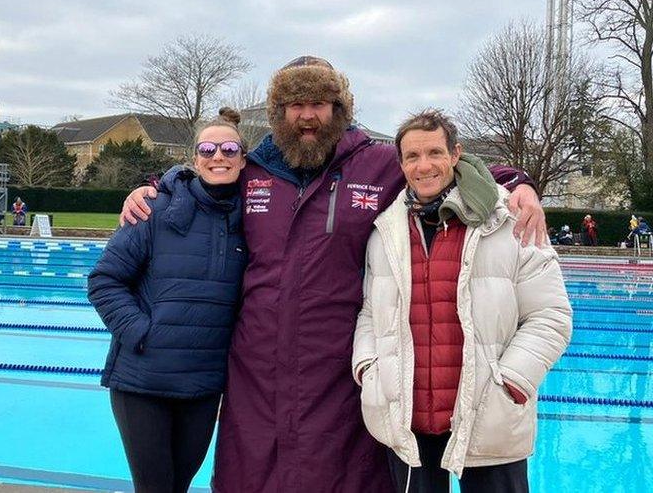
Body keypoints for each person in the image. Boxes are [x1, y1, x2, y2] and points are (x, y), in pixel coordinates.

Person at [120, 56, 549, 492]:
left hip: (338, 365)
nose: (307, 115)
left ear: (339, 109)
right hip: (256, 365)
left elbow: (441, 168)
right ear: (279, 112)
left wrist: (520, 182)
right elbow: (202, 178)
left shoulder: (377, 165)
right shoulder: (254, 171)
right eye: (295, 104)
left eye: (320, 103)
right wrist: (154, 182)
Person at [352, 110, 571, 492]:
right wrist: (370, 371)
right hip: (408, 420)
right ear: (401, 164)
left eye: (434, 152)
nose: (424, 166)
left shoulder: (510, 220)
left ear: (456, 154)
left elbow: (550, 316)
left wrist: (512, 383)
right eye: (412, 157)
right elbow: (371, 313)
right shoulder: (385, 230)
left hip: (490, 414)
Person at [87, 109, 248, 493]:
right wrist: (142, 332)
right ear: (194, 159)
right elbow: (104, 280)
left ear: (243, 159)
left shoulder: (253, 221)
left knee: (179, 484)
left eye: (229, 149)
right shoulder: (155, 208)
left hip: (203, 383)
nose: (218, 157)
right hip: (143, 380)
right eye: (207, 149)